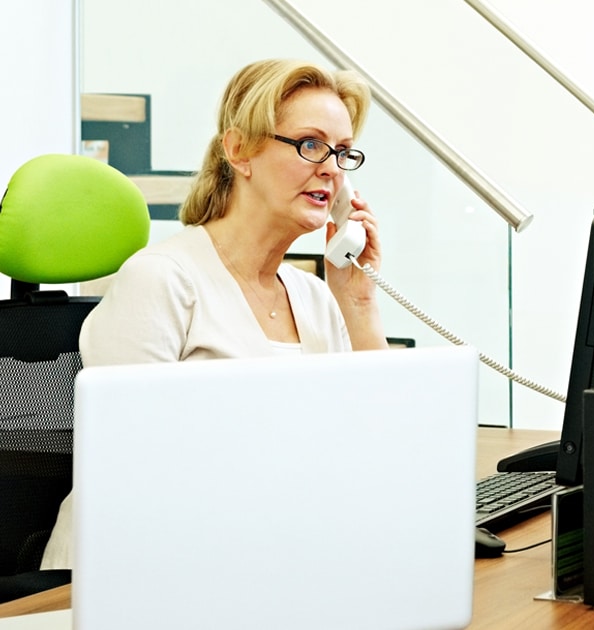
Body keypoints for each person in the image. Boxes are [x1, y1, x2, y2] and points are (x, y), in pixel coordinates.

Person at [38, 58, 389, 570]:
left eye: (341, 152)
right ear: (239, 149)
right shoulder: (161, 280)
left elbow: (378, 448)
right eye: (311, 145)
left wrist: (359, 304)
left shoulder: (315, 298)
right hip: (135, 573)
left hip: (268, 558)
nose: (332, 169)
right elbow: (130, 478)